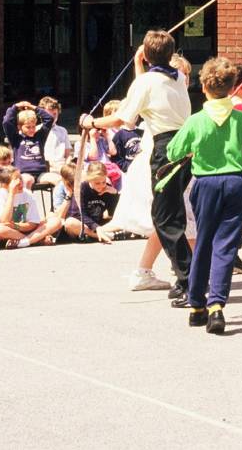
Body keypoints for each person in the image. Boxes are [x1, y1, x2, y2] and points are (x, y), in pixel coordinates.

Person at [81, 29, 192, 297]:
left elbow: (122, 119)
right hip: (183, 147)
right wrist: (138, 65)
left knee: (166, 218)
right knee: (170, 215)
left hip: (164, 149)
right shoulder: (177, 77)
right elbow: (146, 90)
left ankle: (188, 278)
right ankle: (183, 275)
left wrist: (91, 122)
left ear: (146, 52)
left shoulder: (146, 83)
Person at [163, 57, 242, 334]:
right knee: (226, 245)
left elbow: (173, 152)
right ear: (231, 87)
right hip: (235, 182)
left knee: (203, 240)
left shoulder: (196, 120)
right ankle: (217, 304)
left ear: (203, 86)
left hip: (206, 183)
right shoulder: (241, 118)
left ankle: (196, 304)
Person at [0, 165, 61, 248]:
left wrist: (15, 226)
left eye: (20, 178)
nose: (20, 182)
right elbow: (4, 221)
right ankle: (36, 240)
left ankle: (24, 242)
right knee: (0, 230)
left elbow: (33, 223)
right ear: (5, 185)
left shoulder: (27, 194)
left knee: (55, 221)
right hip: (7, 234)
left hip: (25, 231)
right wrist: (12, 194)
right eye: (16, 179)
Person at [56, 162, 116, 244]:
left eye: (103, 182)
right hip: (82, 225)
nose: (101, 185)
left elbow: (112, 214)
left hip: (98, 223)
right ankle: (97, 235)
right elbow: (79, 214)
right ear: (89, 179)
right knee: (70, 222)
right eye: (97, 183)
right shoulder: (82, 188)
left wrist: (114, 195)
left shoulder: (107, 188)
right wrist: (96, 227)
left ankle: (100, 234)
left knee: (119, 222)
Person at [1, 101, 55, 182]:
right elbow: (6, 122)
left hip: (41, 173)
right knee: (28, 180)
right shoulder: (15, 138)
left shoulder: (40, 137)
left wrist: (34, 108)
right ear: (19, 127)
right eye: (28, 127)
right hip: (24, 174)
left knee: (58, 180)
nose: (32, 129)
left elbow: (49, 119)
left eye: (33, 126)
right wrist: (15, 106)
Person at [40, 96, 71, 169]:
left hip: (61, 166)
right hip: (45, 166)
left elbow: (68, 154)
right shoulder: (37, 130)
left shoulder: (62, 131)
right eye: (48, 114)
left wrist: (67, 165)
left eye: (54, 114)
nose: (52, 117)